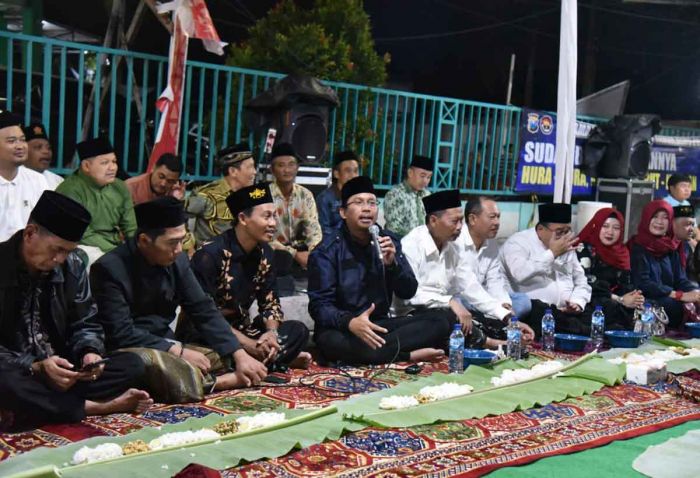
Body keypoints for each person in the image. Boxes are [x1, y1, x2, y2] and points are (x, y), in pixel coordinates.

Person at [90, 197, 269, 403]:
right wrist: (177, 351)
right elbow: (120, 333)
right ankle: (219, 383)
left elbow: (203, 309)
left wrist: (240, 354)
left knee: (221, 355)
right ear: (144, 241)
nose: (178, 249)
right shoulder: (109, 268)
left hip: (167, 342)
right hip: (131, 348)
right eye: (172, 243)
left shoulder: (177, 260)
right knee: (143, 365)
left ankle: (201, 377)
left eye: (182, 240)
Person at [0, 191, 151, 431]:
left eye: (68, 251)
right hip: (20, 371)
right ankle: (96, 407)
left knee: (133, 364)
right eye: (57, 249)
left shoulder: (74, 263)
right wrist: (36, 366)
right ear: (30, 234)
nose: (61, 259)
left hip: (63, 372)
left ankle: (40, 408)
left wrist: (89, 352)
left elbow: (86, 321)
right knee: (6, 382)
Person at [308, 176, 451, 365]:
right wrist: (351, 322)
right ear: (343, 212)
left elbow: (408, 291)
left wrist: (393, 265)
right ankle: (407, 355)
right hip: (343, 329)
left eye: (372, 203)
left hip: (380, 326)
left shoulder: (387, 241)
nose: (367, 208)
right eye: (358, 203)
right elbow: (319, 307)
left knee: (442, 321)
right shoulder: (326, 251)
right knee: (332, 343)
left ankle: (385, 351)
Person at [189, 183, 311, 370]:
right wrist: (249, 345)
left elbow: (270, 303)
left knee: (298, 331)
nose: (273, 223)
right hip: (208, 334)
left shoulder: (266, 253)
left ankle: (260, 359)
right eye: (266, 216)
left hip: (244, 330)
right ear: (243, 218)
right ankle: (271, 360)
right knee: (208, 356)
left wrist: (270, 333)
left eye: (274, 216)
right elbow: (206, 317)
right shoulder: (209, 255)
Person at [397, 190, 533, 349]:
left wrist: (508, 317)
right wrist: (449, 302)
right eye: (454, 221)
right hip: (410, 316)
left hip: (445, 309)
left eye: (461, 221)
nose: (460, 227)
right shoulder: (411, 245)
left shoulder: (452, 246)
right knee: (446, 320)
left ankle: (500, 337)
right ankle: (492, 344)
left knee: (487, 321)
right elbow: (409, 296)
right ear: (434, 220)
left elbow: (470, 287)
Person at [500, 203, 593, 336]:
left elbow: (581, 280)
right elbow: (519, 273)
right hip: (534, 310)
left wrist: (577, 303)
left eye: (568, 231)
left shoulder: (566, 245)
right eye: (560, 232)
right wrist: (552, 254)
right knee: (561, 322)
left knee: (599, 313)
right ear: (540, 229)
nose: (564, 237)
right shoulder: (517, 243)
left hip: (565, 312)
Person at [56, 137, 136, 265]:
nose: (113, 167)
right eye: (105, 163)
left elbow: (131, 228)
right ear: (86, 166)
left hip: (114, 247)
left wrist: (136, 252)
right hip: (81, 247)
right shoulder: (70, 190)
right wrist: (115, 252)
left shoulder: (120, 187)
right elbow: (82, 234)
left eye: (114, 161)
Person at [458, 196, 532, 320]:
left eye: (498, 217)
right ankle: (494, 321)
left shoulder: (491, 243)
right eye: (492, 217)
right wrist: (497, 309)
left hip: (484, 300)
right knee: (461, 303)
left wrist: (504, 303)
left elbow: (495, 280)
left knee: (523, 300)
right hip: (463, 297)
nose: (497, 222)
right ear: (472, 219)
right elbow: (467, 287)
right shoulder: (456, 241)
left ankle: (490, 321)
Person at [630, 200, 700, 327]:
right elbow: (643, 283)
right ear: (646, 218)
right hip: (646, 300)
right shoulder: (637, 247)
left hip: (669, 298)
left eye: (665, 218)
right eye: (655, 216)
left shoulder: (670, 248)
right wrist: (678, 295)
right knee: (673, 305)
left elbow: (680, 280)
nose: (659, 222)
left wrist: (695, 293)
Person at [577, 208, 645, 330]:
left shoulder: (622, 252)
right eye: (605, 226)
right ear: (596, 226)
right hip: (590, 298)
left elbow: (626, 283)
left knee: (647, 306)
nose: (610, 232)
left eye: (616, 228)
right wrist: (620, 299)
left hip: (616, 300)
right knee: (608, 308)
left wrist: (635, 297)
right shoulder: (583, 249)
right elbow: (586, 282)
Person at [185, 143, 256, 249]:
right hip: (208, 260)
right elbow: (180, 219)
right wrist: (189, 249)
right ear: (233, 171)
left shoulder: (252, 195)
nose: (254, 172)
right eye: (250, 167)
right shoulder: (206, 194)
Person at [268, 143, 322, 277]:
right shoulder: (263, 195)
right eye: (281, 165)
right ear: (272, 170)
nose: (287, 170)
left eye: (291, 164)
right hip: (275, 251)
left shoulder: (305, 195)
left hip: (302, 251)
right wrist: (294, 253)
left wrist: (312, 253)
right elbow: (263, 237)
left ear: (297, 167)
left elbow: (313, 229)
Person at [0, 111, 49, 242]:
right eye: (11, 141)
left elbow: (46, 224)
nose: (20, 146)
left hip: (27, 256)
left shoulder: (37, 180)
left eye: (22, 140)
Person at [383, 155, 433, 237]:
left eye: (429, 177)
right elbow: (393, 228)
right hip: (401, 244)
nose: (425, 181)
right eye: (422, 176)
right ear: (410, 173)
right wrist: (417, 238)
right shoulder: (395, 194)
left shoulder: (427, 195)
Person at [316, 150, 360, 238]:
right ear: (336, 174)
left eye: (355, 171)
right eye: (348, 171)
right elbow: (323, 230)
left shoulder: (360, 197)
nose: (353, 176)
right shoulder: (324, 198)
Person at [22, 122, 63, 189]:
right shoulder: (13, 179)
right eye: (38, 147)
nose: (46, 151)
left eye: (49, 148)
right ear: (23, 151)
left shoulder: (58, 181)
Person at [672, 204, 697, 281]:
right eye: (687, 224)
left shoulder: (686, 246)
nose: (691, 229)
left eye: (692, 225)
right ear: (673, 224)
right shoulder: (662, 247)